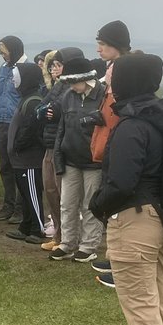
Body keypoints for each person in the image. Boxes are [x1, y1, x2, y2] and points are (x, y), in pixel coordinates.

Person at [89, 53, 163, 325]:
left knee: (140, 303)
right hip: (160, 217)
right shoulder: (161, 117)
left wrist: (97, 205)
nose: (110, 83)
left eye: (114, 78)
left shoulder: (131, 125)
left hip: (135, 220)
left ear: (128, 81)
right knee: (157, 298)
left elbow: (122, 181)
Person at [88, 20, 133, 286]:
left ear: (116, 45)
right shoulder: (113, 68)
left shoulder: (124, 70)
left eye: (103, 45)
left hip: (118, 140)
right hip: (110, 137)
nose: (99, 50)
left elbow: (120, 107)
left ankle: (122, 267)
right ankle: (115, 257)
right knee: (113, 209)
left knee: (120, 207)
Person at [51, 56, 108, 263]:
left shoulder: (103, 95)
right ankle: (67, 243)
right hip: (70, 158)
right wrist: (59, 154)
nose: (72, 87)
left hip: (94, 161)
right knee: (67, 203)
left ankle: (88, 246)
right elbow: (62, 128)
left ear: (87, 79)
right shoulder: (68, 96)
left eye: (74, 82)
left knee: (90, 204)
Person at [37, 48, 84, 249]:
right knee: (50, 190)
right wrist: (47, 112)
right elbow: (40, 109)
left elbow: (57, 112)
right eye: (53, 65)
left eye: (59, 65)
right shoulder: (57, 86)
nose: (55, 69)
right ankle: (59, 234)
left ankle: (70, 237)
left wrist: (49, 112)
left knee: (64, 194)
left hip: (63, 145)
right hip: (50, 143)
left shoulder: (72, 89)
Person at [5, 62, 46, 243]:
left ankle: (38, 229)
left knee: (32, 194)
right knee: (25, 194)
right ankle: (26, 226)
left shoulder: (33, 101)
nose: (13, 80)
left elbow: (31, 129)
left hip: (29, 159)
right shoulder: (27, 98)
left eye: (17, 76)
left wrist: (18, 145)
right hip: (20, 159)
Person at [0, 35, 27, 222]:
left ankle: (21, 208)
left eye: (4, 52)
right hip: (1, 121)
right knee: (4, 166)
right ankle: (8, 204)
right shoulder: (3, 69)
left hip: (17, 123)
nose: (2, 56)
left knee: (19, 166)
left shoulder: (26, 68)